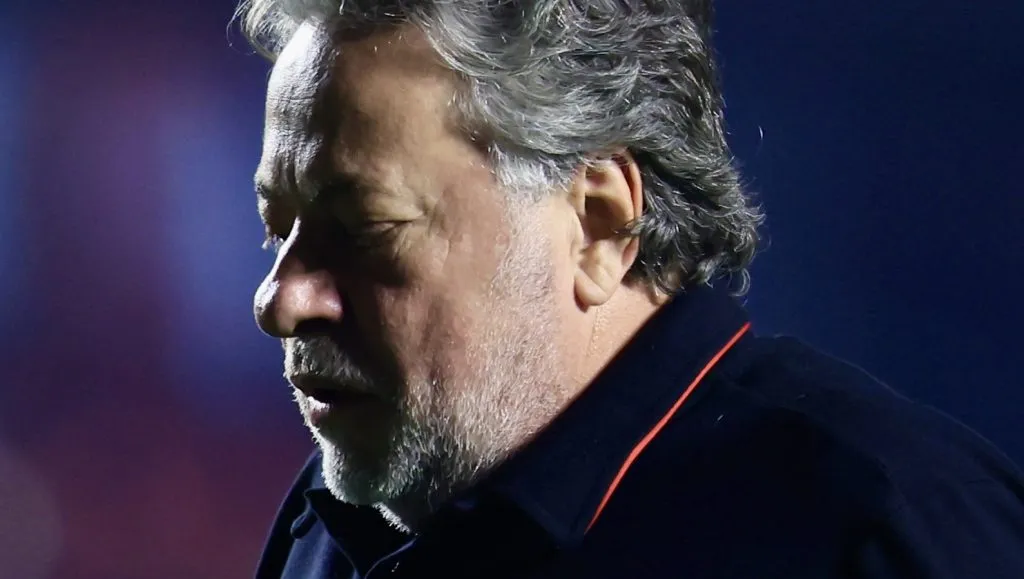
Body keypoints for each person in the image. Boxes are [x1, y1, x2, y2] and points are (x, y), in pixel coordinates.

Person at [237, 1, 1024, 577]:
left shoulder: (893, 535)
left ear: (602, 223)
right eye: (281, 225)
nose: (280, 300)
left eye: (365, 228)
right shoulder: (332, 530)